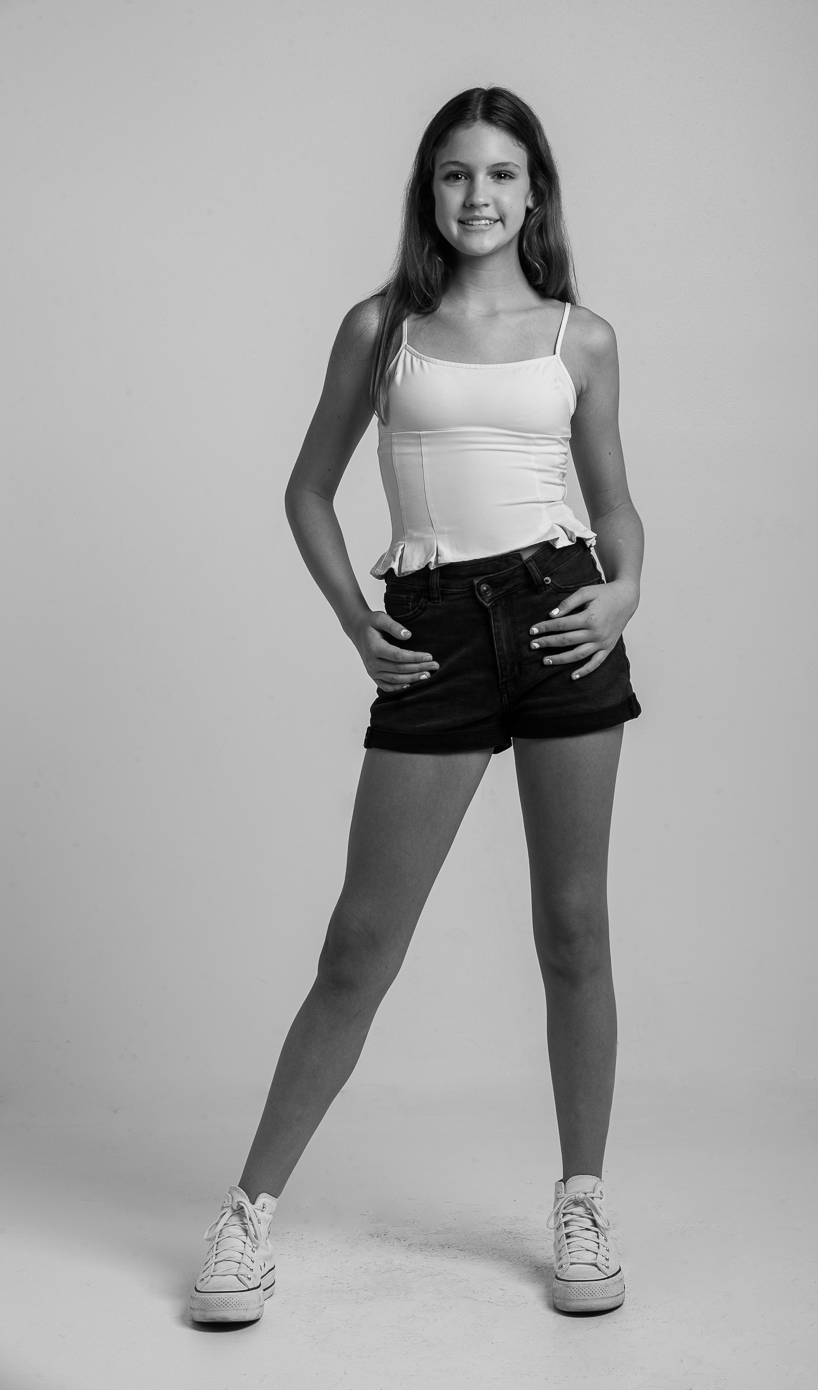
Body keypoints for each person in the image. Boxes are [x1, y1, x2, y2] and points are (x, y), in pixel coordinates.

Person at [189, 85, 643, 1323]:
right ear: (428, 191)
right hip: (435, 631)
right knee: (358, 946)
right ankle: (247, 1218)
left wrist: (624, 591)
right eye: (455, 173)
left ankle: (583, 1203)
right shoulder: (381, 328)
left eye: (500, 174)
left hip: (559, 617)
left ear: (535, 193)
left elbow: (615, 507)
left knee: (574, 929)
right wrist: (359, 622)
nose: (476, 195)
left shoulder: (582, 339)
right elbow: (307, 490)